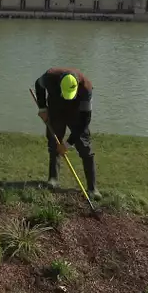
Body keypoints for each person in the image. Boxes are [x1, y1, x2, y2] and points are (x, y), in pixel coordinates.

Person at [33, 67, 101, 200]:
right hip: (55, 110)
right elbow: (38, 84)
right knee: (54, 143)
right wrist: (42, 108)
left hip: (76, 115)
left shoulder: (86, 88)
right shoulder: (50, 77)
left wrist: (68, 143)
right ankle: (53, 179)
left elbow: (85, 120)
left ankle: (92, 188)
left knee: (85, 148)